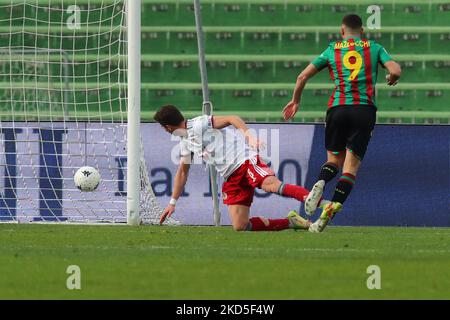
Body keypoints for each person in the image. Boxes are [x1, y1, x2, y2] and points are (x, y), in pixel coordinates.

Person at [282, 14, 402, 232]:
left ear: (342, 30)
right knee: (351, 169)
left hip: (338, 109)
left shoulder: (332, 49)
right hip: (364, 111)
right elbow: (395, 70)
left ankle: (320, 182)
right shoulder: (375, 47)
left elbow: (302, 77)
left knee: (333, 160)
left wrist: (296, 101)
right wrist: (392, 77)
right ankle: (328, 213)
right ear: (362, 31)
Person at [154, 104, 330, 231]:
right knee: (240, 226)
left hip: (244, 161)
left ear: (167, 127)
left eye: (162, 127)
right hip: (231, 176)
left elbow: (232, 118)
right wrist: (172, 203)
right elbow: (182, 173)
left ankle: (322, 203)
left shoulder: (199, 124)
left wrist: (249, 136)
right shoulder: (185, 143)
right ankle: (291, 222)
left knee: (271, 185)